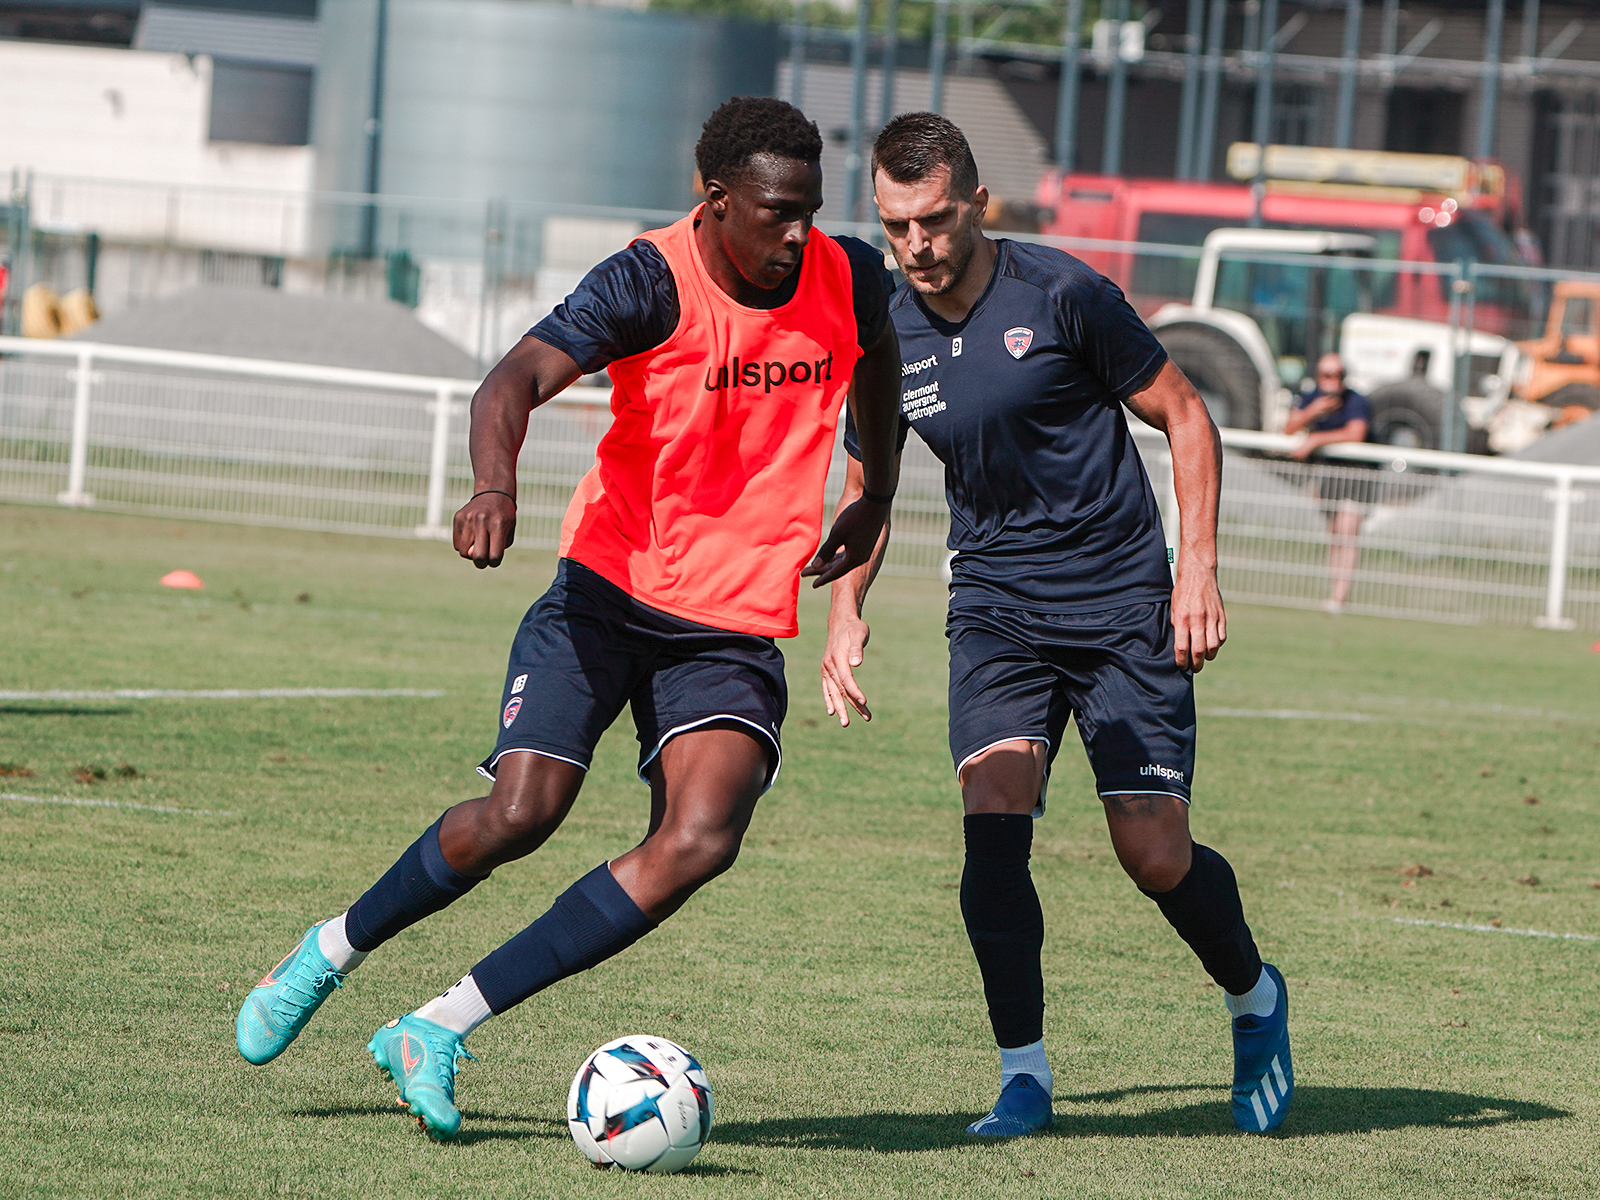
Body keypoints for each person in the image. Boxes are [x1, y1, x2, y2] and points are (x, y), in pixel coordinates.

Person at [235, 96, 902, 1141]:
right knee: (522, 814)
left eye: (809, 212)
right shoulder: (647, 279)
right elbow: (513, 378)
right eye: (775, 212)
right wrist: (493, 486)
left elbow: (881, 379)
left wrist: (874, 494)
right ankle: (329, 951)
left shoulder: (849, 274)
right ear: (715, 199)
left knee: (699, 838)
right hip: (605, 595)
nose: (796, 234)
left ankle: (440, 1025)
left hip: (729, 625)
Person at [821, 113, 1292, 1137]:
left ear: (978, 206)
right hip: (995, 607)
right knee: (993, 827)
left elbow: (1184, 413)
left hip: (1125, 603)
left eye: (935, 222)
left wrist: (1195, 568)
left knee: (1152, 854)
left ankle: (1255, 996)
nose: (916, 248)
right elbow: (873, 478)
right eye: (895, 227)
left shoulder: (1064, 294)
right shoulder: (885, 332)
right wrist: (845, 611)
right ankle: (1024, 1075)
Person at [1286, 352, 1373, 613]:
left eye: (1339, 375)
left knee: (1348, 532)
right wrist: (1314, 411)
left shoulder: (1357, 401)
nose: (1333, 381)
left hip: (1358, 476)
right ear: (1318, 376)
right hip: (1329, 477)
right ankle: (1335, 593)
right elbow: (1288, 427)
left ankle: (1339, 597)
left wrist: (1315, 440)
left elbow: (1356, 433)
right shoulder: (1311, 397)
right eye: (1327, 375)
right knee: (1335, 534)